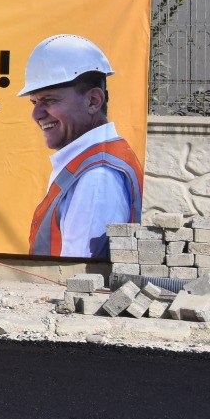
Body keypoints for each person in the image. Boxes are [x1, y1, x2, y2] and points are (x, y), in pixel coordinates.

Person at [20, 34, 142, 258]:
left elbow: (77, 277)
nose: (36, 114)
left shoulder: (97, 177)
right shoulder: (88, 163)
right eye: (34, 102)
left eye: (50, 100)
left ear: (93, 101)